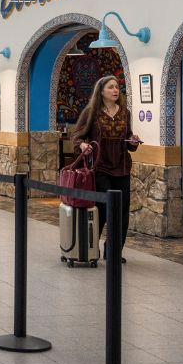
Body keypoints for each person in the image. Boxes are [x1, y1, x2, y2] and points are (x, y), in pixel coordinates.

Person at [72, 75, 141, 263]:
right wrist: (81, 146)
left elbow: (128, 140)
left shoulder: (125, 113)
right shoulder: (91, 112)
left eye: (117, 87)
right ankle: (90, 248)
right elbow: (76, 136)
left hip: (122, 167)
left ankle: (113, 252)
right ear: (101, 91)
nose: (115, 90)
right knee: (102, 209)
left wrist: (133, 141)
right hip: (100, 167)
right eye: (111, 87)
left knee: (121, 212)